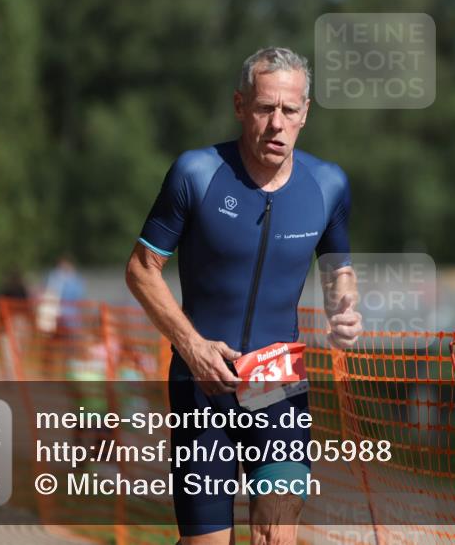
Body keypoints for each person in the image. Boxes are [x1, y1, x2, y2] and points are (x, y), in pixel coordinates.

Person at [126, 47, 362, 545]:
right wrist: (192, 346)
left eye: (289, 110)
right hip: (202, 381)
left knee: (277, 536)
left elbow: (337, 265)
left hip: (278, 383)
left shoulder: (328, 184)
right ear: (240, 106)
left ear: (306, 113)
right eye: (264, 108)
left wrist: (346, 306)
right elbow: (141, 271)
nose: (277, 124)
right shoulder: (196, 172)